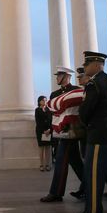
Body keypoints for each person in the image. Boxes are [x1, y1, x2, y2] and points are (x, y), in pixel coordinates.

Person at [73, 51, 107, 213]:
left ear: (97, 65)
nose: (85, 67)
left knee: (93, 174)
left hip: (98, 134)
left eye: (87, 64)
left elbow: (86, 110)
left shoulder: (94, 83)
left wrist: (84, 123)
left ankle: (93, 211)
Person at [40, 66, 84, 202]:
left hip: (70, 130)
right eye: (57, 75)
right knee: (76, 162)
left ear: (67, 76)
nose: (57, 78)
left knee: (60, 161)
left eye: (60, 75)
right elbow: (50, 111)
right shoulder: (54, 94)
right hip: (59, 131)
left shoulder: (76, 91)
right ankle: (88, 187)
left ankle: (56, 193)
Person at [35, 96, 53, 172]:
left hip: (48, 131)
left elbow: (51, 120)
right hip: (40, 131)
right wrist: (43, 131)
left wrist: (49, 129)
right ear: (39, 101)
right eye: (43, 100)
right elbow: (38, 121)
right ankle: (41, 164)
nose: (45, 101)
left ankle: (48, 164)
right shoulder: (37, 110)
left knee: (48, 148)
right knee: (41, 148)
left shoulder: (48, 110)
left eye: (45, 100)